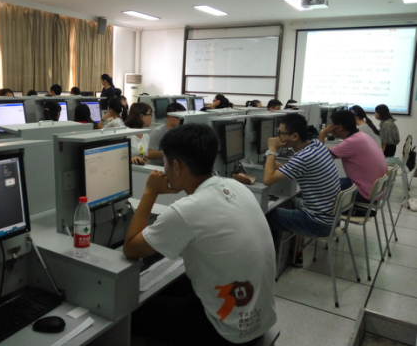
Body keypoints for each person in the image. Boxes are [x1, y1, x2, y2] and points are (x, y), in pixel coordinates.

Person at [124, 123, 277, 345]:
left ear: (176, 166)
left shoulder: (186, 211)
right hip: (260, 319)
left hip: (226, 333)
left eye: (164, 161)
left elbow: (131, 248)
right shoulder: (236, 186)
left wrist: (150, 192)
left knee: (131, 313)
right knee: (167, 287)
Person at [264, 113, 339, 264]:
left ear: (294, 136)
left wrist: (272, 150)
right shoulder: (317, 146)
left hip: (317, 223)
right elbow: (293, 169)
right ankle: (295, 253)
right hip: (330, 217)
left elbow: (267, 179)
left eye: (281, 133)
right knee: (289, 202)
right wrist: (274, 164)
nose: (278, 137)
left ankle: (269, 262)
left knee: (266, 215)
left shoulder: (303, 157)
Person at [319, 110, 387, 210]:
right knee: (332, 182)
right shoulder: (362, 136)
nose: (329, 128)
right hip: (376, 191)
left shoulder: (351, 142)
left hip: (364, 193)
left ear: (339, 127)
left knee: (319, 187)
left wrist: (323, 133)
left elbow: (320, 158)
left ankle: (318, 214)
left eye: (330, 125)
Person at [147, 102, 186, 166]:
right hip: (159, 167)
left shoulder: (181, 131)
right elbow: (149, 154)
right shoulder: (158, 132)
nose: (182, 121)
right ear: (170, 118)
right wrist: (169, 152)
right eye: (179, 119)